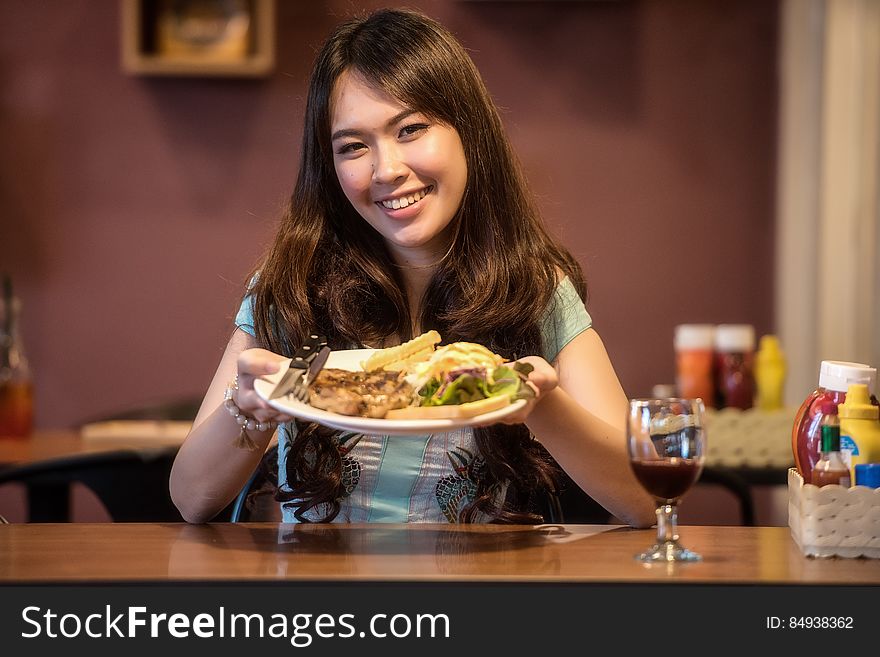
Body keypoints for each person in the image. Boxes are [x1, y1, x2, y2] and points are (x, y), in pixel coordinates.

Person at [169, 7, 655, 527]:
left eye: (411, 129)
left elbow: (645, 498)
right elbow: (191, 499)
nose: (387, 170)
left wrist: (539, 404)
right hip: (321, 598)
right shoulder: (291, 286)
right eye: (353, 146)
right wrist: (247, 410)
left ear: (469, 132)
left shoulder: (532, 289)